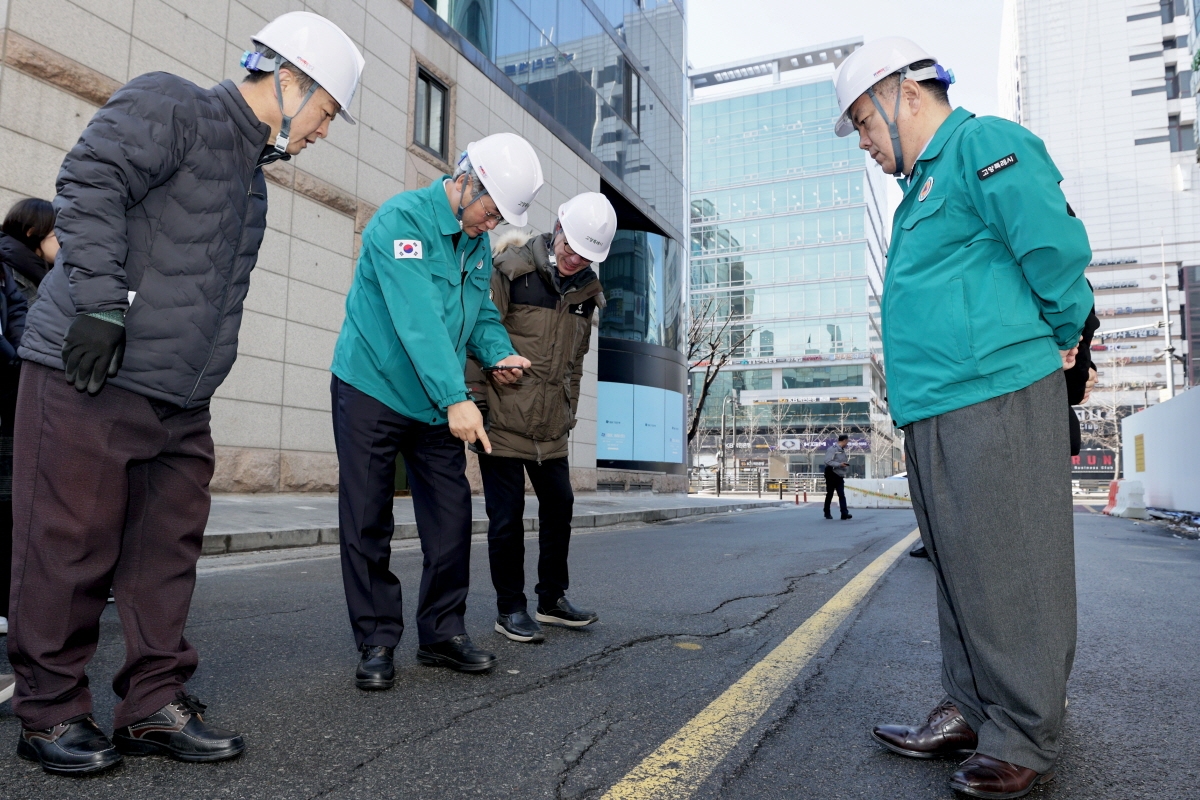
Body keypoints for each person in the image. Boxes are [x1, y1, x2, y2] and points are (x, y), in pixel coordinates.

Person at [7, 12, 364, 776]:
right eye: (327, 112)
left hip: (178, 400)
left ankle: (151, 707)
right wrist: (100, 302)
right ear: (290, 80)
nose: (324, 131)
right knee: (66, 547)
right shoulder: (173, 103)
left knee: (164, 556)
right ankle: (49, 712)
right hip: (90, 368)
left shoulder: (251, 182)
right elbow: (89, 178)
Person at [833, 38, 1093, 799]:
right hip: (939, 405)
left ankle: (1026, 730)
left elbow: (1051, 246)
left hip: (996, 391)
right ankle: (977, 711)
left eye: (865, 123)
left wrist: (1067, 328)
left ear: (906, 93)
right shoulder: (921, 188)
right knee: (962, 571)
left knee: (1013, 568)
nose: (866, 144)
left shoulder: (983, 142)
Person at [330, 132, 540, 690]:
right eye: (489, 210)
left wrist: (499, 355)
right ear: (467, 179)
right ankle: (376, 640)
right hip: (372, 385)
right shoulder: (401, 221)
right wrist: (457, 399)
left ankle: (442, 633)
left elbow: (482, 315)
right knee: (367, 518)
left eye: (499, 218)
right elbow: (418, 319)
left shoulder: (474, 245)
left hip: (434, 398)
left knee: (450, 518)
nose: (491, 224)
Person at [468, 192, 614, 644]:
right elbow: (477, 334)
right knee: (507, 518)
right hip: (502, 417)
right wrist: (477, 403)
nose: (573, 258)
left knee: (560, 506)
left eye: (585, 254)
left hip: (552, 425)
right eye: (569, 246)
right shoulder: (512, 270)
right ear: (557, 229)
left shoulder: (588, 295)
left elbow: (575, 362)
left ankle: (551, 599)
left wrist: (569, 409)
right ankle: (509, 609)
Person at [0, 198, 59, 304]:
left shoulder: (55, 275)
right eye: (58, 235)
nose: (65, 241)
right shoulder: (6, 273)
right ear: (32, 232)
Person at [822, 434, 852, 520]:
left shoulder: (842, 450)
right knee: (830, 494)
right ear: (844, 441)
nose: (847, 444)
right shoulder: (832, 449)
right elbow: (827, 461)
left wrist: (844, 466)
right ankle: (826, 512)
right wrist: (839, 464)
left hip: (839, 474)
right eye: (847, 442)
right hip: (831, 474)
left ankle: (844, 513)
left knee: (841, 494)